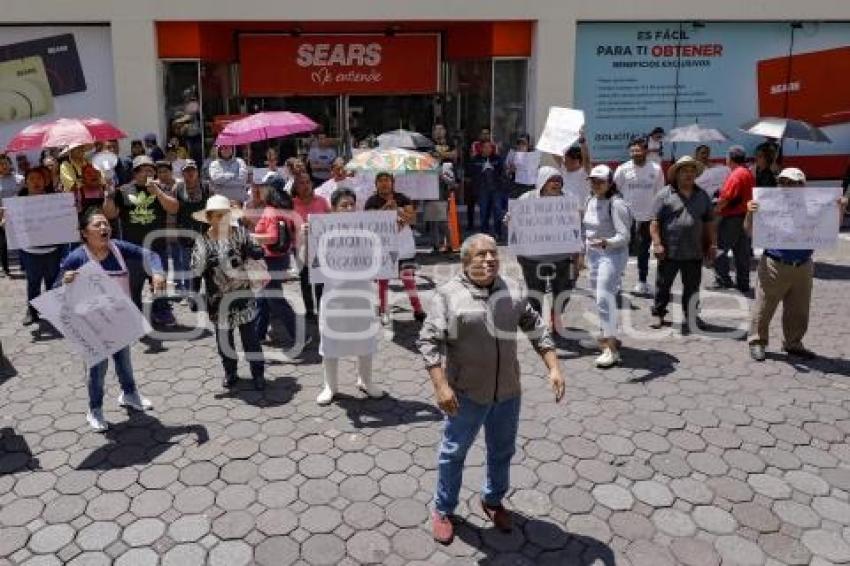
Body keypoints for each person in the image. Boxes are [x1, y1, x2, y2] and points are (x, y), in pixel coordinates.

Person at [417, 233, 565, 544]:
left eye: (493, 254)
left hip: (508, 392)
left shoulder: (512, 289)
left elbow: (536, 327)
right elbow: (429, 341)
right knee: (453, 453)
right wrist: (441, 387)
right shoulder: (448, 294)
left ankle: (493, 500)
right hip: (466, 393)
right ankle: (443, 509)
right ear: (465, 261)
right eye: (481, 255)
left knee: (502, 450)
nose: (489, 259)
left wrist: (553, 366)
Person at [59, 207, 162, 431]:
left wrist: (157, 272)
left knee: (124, 362)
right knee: (98, 370)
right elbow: (56, 287)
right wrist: (65, 279)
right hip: (90, 325)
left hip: (118, 320)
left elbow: (151, 256)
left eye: (106, 223)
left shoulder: (118, 249)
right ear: (84, 233)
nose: (104, 227)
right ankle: (94, 410)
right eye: (97, 225)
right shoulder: (77, 257)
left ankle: (129, 394)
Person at [745, 167, 848, 361]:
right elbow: (749, 232)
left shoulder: (815, 205)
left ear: (803, 186)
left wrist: (839, 209)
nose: (787, 186)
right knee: (764, 306)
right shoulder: (766, 203)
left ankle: (793, 343)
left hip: (803, 265)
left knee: (798, 309)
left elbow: (831, 229)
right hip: (774, 264)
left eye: (793, 183)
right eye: (783, 182)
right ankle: (757, 341)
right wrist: (749, 213)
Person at [302, 188, 384, 405]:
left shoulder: (367, 230)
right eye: (343, 205)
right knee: (331, 342)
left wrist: (392, 231)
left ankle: (365, 380)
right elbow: (307, 262)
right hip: (334, 297)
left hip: (362, 295)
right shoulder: (321, 231)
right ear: (334, 209)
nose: (348, 208)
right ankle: (330, 385)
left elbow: (382, 257)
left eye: (351, 204)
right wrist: (306, 238)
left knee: (365, 340)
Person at [191, 195, 266, 390]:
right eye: (217, 216)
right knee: (225, 342)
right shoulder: (202, 243)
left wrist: (257, 250)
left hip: (244, 297)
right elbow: (196, 272)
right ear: (209, 218)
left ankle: (258, 373)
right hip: (218, 302)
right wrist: (193, 294)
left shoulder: (240, 233)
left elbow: (255, 249)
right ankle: (230, 372)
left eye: (225, 215)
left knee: (251, 339)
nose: (222, 219)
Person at [103, 155, 178, 326]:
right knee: (133, 286)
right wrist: (108, 195)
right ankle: (134, 313)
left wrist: (158, 193)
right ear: (135, 173)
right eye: (144, 170)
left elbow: (173, 207)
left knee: (159, 283)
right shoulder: (123, 191)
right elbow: (110, 214)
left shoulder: (162, 188)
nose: (149, 173)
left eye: (151, 170)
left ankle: (161, 310)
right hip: (132, 250)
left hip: (157, 249)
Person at [649, 156, 717, 333]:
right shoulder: (664, 194)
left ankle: (692, 316)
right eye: (684, 171)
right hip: (669, 251)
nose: (688, 174)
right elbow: (654, 222)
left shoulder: (702, 196)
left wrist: (712, 245)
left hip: (694, 251)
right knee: (663, 285)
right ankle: (659, 313)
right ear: (676, 174)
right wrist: (657, 244)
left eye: (691, 171)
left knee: (692, 287)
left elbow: (709, 222)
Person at [508, 166, 578, 330]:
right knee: (535, 293)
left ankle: (556, 315)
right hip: (532, 258)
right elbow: (514, 222)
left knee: (564, 292)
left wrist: (577, 257)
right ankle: (537, 324)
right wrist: (510, 219)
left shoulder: (569, 199)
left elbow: (577, 228)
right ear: (542, 182)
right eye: (551, 180)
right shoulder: (527, 198)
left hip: (562, 258)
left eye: (559, 180)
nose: (556, 184)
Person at [580, 165, 631, 368]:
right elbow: (586, 230)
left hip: (611, 255)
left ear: (610, 183)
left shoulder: (616, 204)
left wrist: (607, 242)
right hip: (594, 256)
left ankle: (612, 350)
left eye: (601, 181)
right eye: (593, 181)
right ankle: (606, 339)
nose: (596, 184)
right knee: (599, 298)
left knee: (604, 298)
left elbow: (624, 236)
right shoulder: (590, 200)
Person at [365, 172, 426, 325]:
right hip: (383, 246)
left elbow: (412, 219)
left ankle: (418, 309)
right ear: (376, 183)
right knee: (383, 281)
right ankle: (384, 310)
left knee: (408, 279)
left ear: (392, 182)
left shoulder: (403, 198)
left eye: (387, 180)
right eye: (380, 181)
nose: (384, 183)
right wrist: (386, 207)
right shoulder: (371, 201)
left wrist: (398, 209)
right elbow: (370, 222)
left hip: (403, 245)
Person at [251, 174, 299, 346]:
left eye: (263, 187)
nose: (260, 190)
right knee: (263, 298)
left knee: (275, 300)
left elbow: (271, 237)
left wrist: (251, 237)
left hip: (271, 260)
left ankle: (299, 335)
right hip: (281, 258)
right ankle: (257, 334)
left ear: (270, 190)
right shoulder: (286, 209)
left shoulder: (270, 211)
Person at [613, 137, 665, 295]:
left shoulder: (656, 169)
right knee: (621, 250)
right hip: (626, 218)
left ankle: (642, 282)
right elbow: (615, 190)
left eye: (638, 150)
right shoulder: (623, 169)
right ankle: (616, 281)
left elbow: (660, 193)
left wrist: (657, 215)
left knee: (643, 251)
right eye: (632, 150)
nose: (635, 153)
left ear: (646, 151)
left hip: (647, 218)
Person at [17, 167, 62, 326]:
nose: (36, 182)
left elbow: (63, 221)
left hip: (52, 249)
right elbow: (13, 226)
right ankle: (32, 311)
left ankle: (52, 310)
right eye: (32, 178)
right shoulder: (17, 203)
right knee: (33, 282)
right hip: (30, 251)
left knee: (52, 281)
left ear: (45, 181)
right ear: (26, 182)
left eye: (39, 178)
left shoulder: (56, 200)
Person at [714, 145, 755, 293]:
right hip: (745, 216)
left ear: (730, 159)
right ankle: (743, 282)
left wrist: (715, 210)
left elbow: (726, 198)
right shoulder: (747, 173)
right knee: (742, 252)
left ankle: (723, 279)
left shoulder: (736, 175)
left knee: (719, 249)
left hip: (732, 217)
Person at [292, 172, 331, 320]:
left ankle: (322, 309)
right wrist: (300, 228)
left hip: (320, 246)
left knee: (321, 280)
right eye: (301, 183)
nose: (305, 186)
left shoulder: (321, 201)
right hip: (301, 247)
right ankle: (308, 311)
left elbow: (331, 221)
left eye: (308, 182)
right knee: (305, 281)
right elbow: (287, 227)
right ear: (296, 186)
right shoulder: (292, 204)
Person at [173, 160, 209, 301]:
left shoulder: (206, 187)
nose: (190, 173)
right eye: (187, 170)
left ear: (197, 172)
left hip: (204, 233)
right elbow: (173, 210)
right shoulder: (177, 188)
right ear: (182, 173)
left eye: (192, 170)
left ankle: (202, 292)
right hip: (185, 233)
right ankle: (191, 294)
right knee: (188, 265)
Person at [427, 125, 458, 253]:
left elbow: (454, 155)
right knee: (432, 217)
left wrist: (440, 155)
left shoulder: (450, 144)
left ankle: (450, 244)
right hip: (429, 183)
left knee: (441, 218)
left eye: (441, 129)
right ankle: (435, 244)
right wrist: (442, 155)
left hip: (442, 184)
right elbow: (428, 158)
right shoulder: (429, 144)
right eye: (436, 130)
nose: (439, 132)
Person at [467, 142, 507, 240]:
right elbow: (471, 173)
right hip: (482, 190)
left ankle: (498, 233)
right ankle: (484, 234)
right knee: (484, 213)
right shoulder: (476, 159)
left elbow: (503, 172)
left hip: (496, 189)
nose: (488, 149)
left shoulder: (497, 159)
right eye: (485, 147)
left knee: (498, 212)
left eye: (490, 147)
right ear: (482, 149)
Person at [0, 153, 23, 276]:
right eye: (0, 164)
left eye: (5, 163)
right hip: (1, 216)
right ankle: (6, 268)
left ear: (10, 164)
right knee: (3, 243)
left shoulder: (20, 179)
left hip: (18, 215)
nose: (3, 166)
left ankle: (24, 266)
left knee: (22, 241)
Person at [553, 136, 592, 205]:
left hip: (581, 210)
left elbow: (587, 159)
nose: (567, 162)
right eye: (566, 159)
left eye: (572, 160)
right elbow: (554, 153)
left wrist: (582, 142)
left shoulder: (585, 172)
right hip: (566, 210)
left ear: (579, 161)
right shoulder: (564, 170)